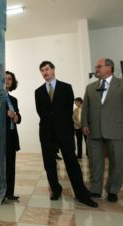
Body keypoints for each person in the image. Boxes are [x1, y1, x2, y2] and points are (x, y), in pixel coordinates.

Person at [34, 61, 98, 207]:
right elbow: (41, 112)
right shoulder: (38, 91)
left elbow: (67, 109)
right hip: (46, 132)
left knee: (72, 162)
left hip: (64, 131)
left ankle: (81, 194)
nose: (45, 72)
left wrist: (59, 124)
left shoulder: (66, 87)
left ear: (53, 70)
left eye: (47, 69)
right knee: (49, 163)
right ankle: (55, 190)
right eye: (42, 70)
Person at [81, 58, 123, 202]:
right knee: (95, 162)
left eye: (99, 66)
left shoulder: (121, 84)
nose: (96, 69)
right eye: (96, 67)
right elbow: (85, 107)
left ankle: (112, 190)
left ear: (109, 68)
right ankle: (95, 189)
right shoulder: (90, 87)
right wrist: (84, 124)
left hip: (117, 130)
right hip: (94, 130)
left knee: (117, 162)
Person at [3, 71, 21, 201]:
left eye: (10, 79)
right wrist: (6, 113)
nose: (8, 80)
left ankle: (9, 192)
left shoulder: (14, 99)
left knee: (10, 165)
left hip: (11, 136)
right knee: (0, 167)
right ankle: (0, 194)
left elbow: (18, 118)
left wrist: (15, 116)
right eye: (5, 78)